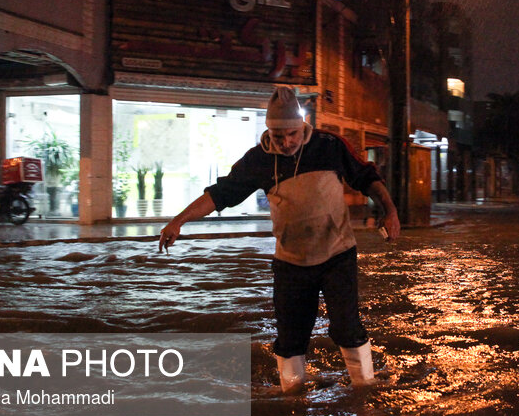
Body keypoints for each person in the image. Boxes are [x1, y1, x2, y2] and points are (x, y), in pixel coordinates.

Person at [158, 87, 401, 393]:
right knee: (289, 337)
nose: (286, 143)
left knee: (346, 327)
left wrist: (389, 210)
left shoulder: (330, 146)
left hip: (337, 254)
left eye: (292, 135)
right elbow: (219, 195)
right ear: (268, 131)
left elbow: (367, 178)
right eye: (278, 136)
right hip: (291, 263)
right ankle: (292, 399)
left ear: (303, 127)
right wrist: (179, 221)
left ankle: (363, 389)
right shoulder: (257, 161)